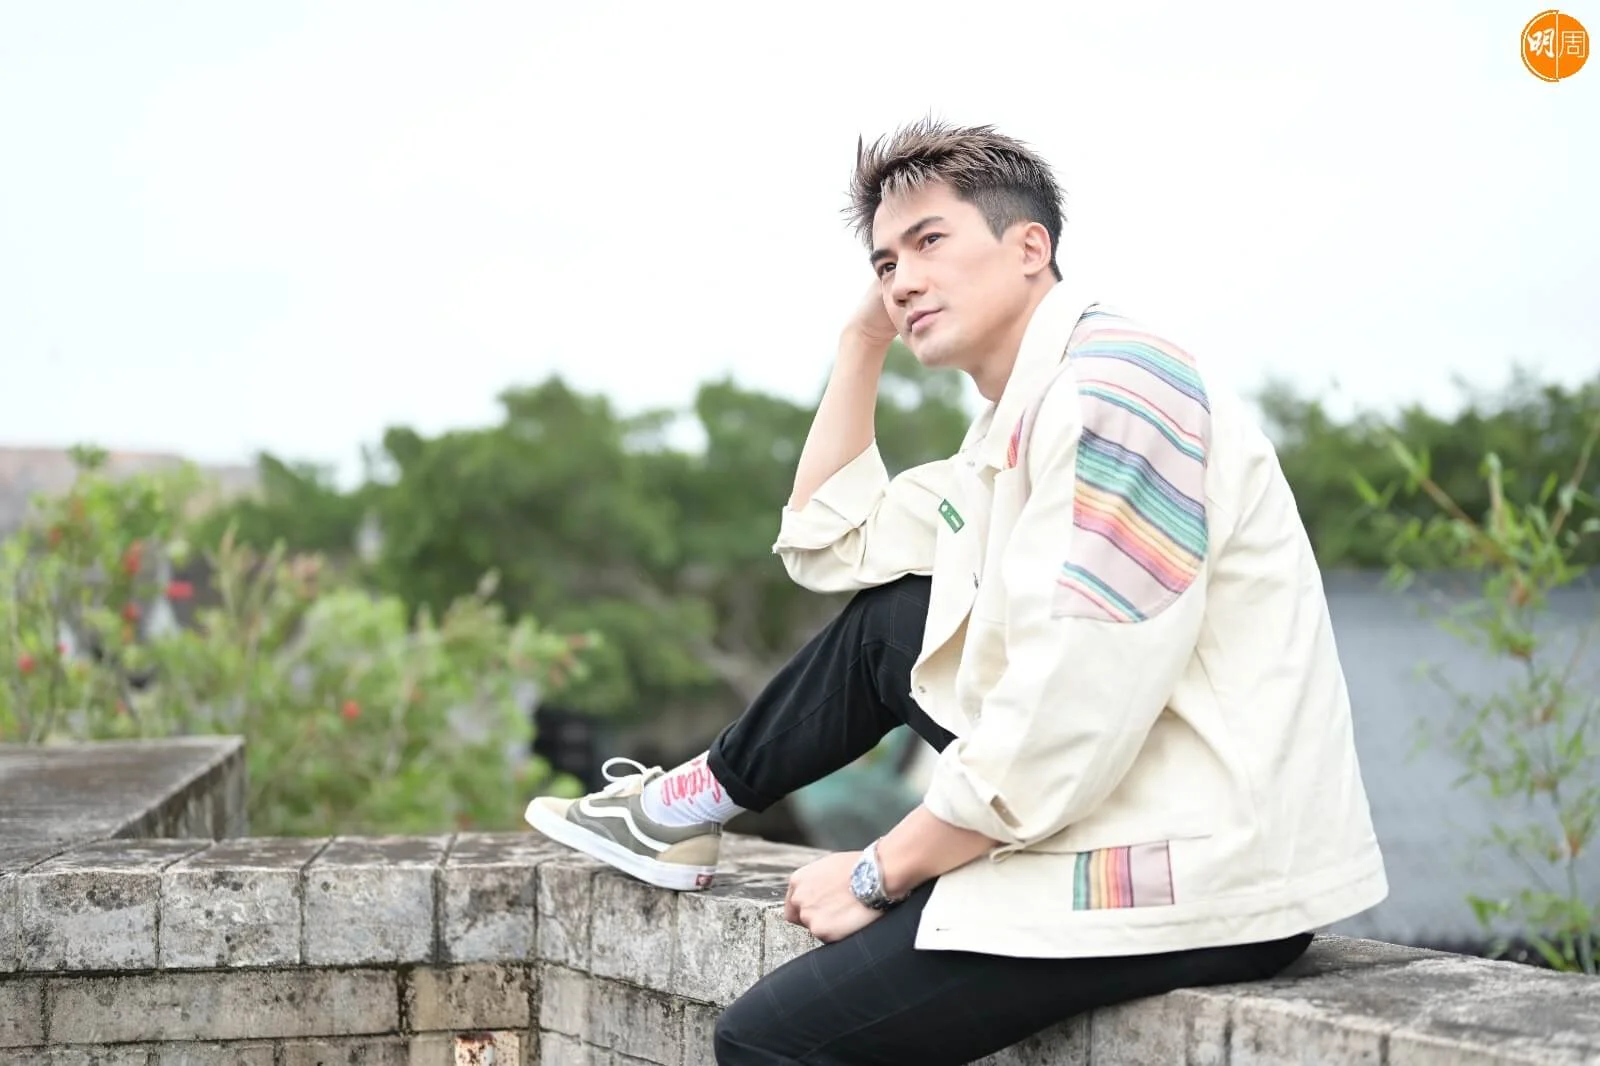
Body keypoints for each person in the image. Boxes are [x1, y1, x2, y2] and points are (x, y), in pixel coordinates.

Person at [525, 118, 1388, 1066]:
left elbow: (1072, 706)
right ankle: (682, 807)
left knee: (771, 1042)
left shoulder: (1117, 393)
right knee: (895, 620)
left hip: (1201, 866)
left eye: (930, 240)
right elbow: (829, 541)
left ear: (1030, 248)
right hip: (1119, 787)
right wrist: (860, 339)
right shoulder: (1013, 419)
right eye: (884, 263)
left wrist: (878, 870)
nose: (902, 279)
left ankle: (693, 810)